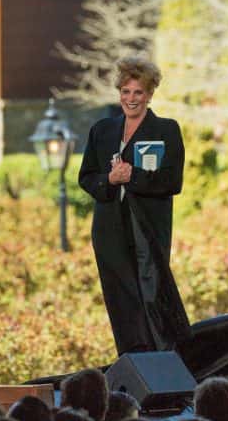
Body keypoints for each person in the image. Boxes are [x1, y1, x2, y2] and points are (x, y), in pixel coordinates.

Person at [79, 56, 190, 354]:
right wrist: (110, 179)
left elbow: (172, 181)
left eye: (138, 92)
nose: (131, 99)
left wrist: (134, 176)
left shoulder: (166, 129)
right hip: (109, 227)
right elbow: (86, 178)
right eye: (126, 92)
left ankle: (164, 359)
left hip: (148, 227)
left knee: (152, 291)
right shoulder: (101, 130)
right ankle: (132, 358)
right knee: (120, 296)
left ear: (150, 94)